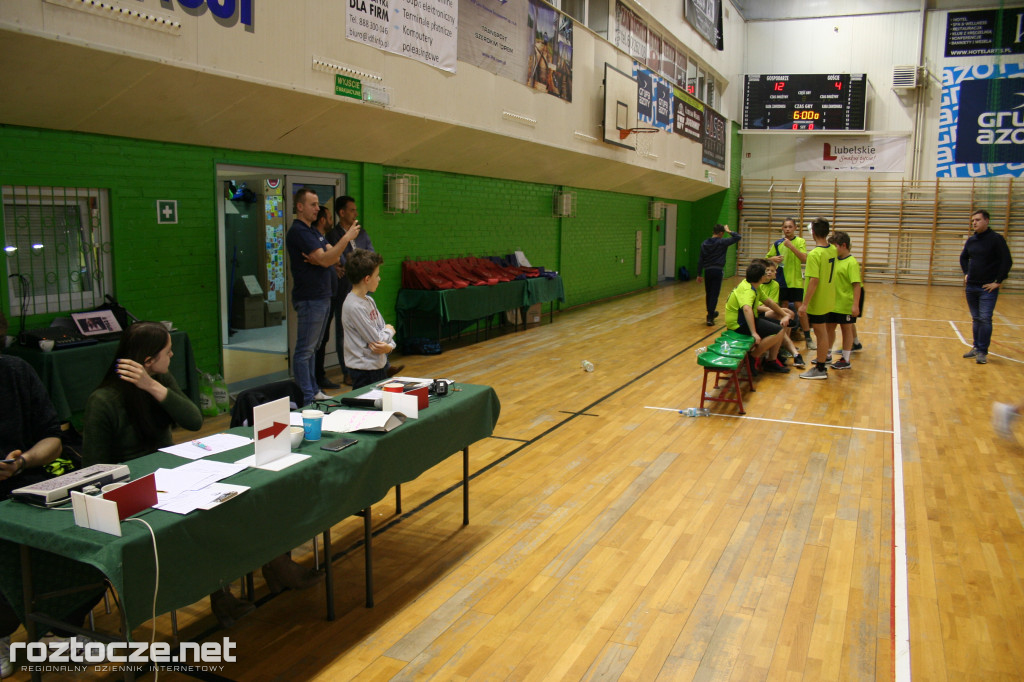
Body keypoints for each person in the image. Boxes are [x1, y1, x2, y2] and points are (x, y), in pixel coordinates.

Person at [0, 310, 100, 676]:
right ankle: (4, 634)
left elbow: (53, 440)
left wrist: (23, 461)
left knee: (81, 531)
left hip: (25, 481)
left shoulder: (15, 372)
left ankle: (65, 626)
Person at [285, 188, 360, 405]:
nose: (318, 208)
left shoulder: (314, 232)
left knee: (314, 347)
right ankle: (307, 396)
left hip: (323, 295)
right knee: (305, 349)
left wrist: (326, 257)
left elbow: (333, 257)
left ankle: (313, 390)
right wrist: (342, 242)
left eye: (318, 204)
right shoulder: (299, 231)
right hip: (310, 297)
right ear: (300, 207)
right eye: (313, 204)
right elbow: (328, 258)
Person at [960, 209, 1013, 365]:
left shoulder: (996, 240)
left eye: (977, 220)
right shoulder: (971, 241)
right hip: (971, 287)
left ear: (986, 221)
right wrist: (966, 273)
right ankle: (976, 347)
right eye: (972, 221)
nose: (974, 223)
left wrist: (998, 281)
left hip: (987, 289)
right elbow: (963, 257)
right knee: (976, 319)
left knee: (985, 319)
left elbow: (1007, 261)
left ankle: (982, 352)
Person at [342, 249, 397, 389]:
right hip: (364, 370)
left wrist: (389, 346)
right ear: (367, 279)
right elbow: (378, 340)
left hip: (378, 365)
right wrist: (390, 332)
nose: (379, 279)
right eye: (377, 275)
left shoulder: (369, 301)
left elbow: (383, 333)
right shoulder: (354, 306)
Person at [724, 260, 789, 373]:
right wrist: (754, 333)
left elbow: (769, 302)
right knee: (778, 331)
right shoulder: (748, 290)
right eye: (765, 272)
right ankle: (753, 357)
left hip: (747, 320)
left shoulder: (753, 284)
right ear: (761, 277)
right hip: (738, 325)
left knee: (780, 327)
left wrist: (784, 315)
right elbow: (747, 309)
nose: (767, 274)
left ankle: (771, 361)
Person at [798, 218, 838, 380]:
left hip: (818, 300)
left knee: (821, 334)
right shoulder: (833, 250)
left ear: (812, 233)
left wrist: (804, 304)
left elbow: (814, 281)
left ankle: (820, 369)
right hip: (829, 298)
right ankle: (823, 359)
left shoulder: (815, 254)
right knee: (827, 332)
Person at [766, 217, 814, 349]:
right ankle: (784, 338)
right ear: (782, 228)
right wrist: (772, 258)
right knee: (783, 309)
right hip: (781, 282)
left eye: (790, 227)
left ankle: (808, 338)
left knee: (801, 310)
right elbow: (766, 259)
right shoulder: (777, 244)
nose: (787, 229)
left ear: (795, 228)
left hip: (796, 282)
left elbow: (804, 259)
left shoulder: (800, 241)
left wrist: (791, 246)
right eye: (785, 227)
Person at [757, 260, 804, 369]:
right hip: (760, 312)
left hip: (765, 310)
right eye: (767, 270)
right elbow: (756, 307)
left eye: (772, 271)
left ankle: (783, 349)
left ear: (775, 274)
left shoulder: (775, 285)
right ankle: (783, 351)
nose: (769, 272)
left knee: (789, 313)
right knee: (782, 316)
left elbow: (771, 303)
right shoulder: (757, 285)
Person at [826, 231, 862, 371]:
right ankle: (827, 354)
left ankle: (846, 359)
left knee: (846, 329)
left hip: (845, 303)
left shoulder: (851, 263)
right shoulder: (834, 260)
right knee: (829, 327)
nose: (831, 249)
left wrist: (855, 305)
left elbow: (856, 285)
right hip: (832, 303)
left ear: (843, 245)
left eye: (834, 246)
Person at [696, 223, 742, 326]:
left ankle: (710, 313)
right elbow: (738, 237)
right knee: (714, 294)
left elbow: (700, 260)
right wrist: (729, 231)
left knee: (709, 293)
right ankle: (710, 316)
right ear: (721, 233)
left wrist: (699, 274)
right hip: (717, 271)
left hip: (708, 271)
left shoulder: (704, 243)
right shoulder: (722, 242)